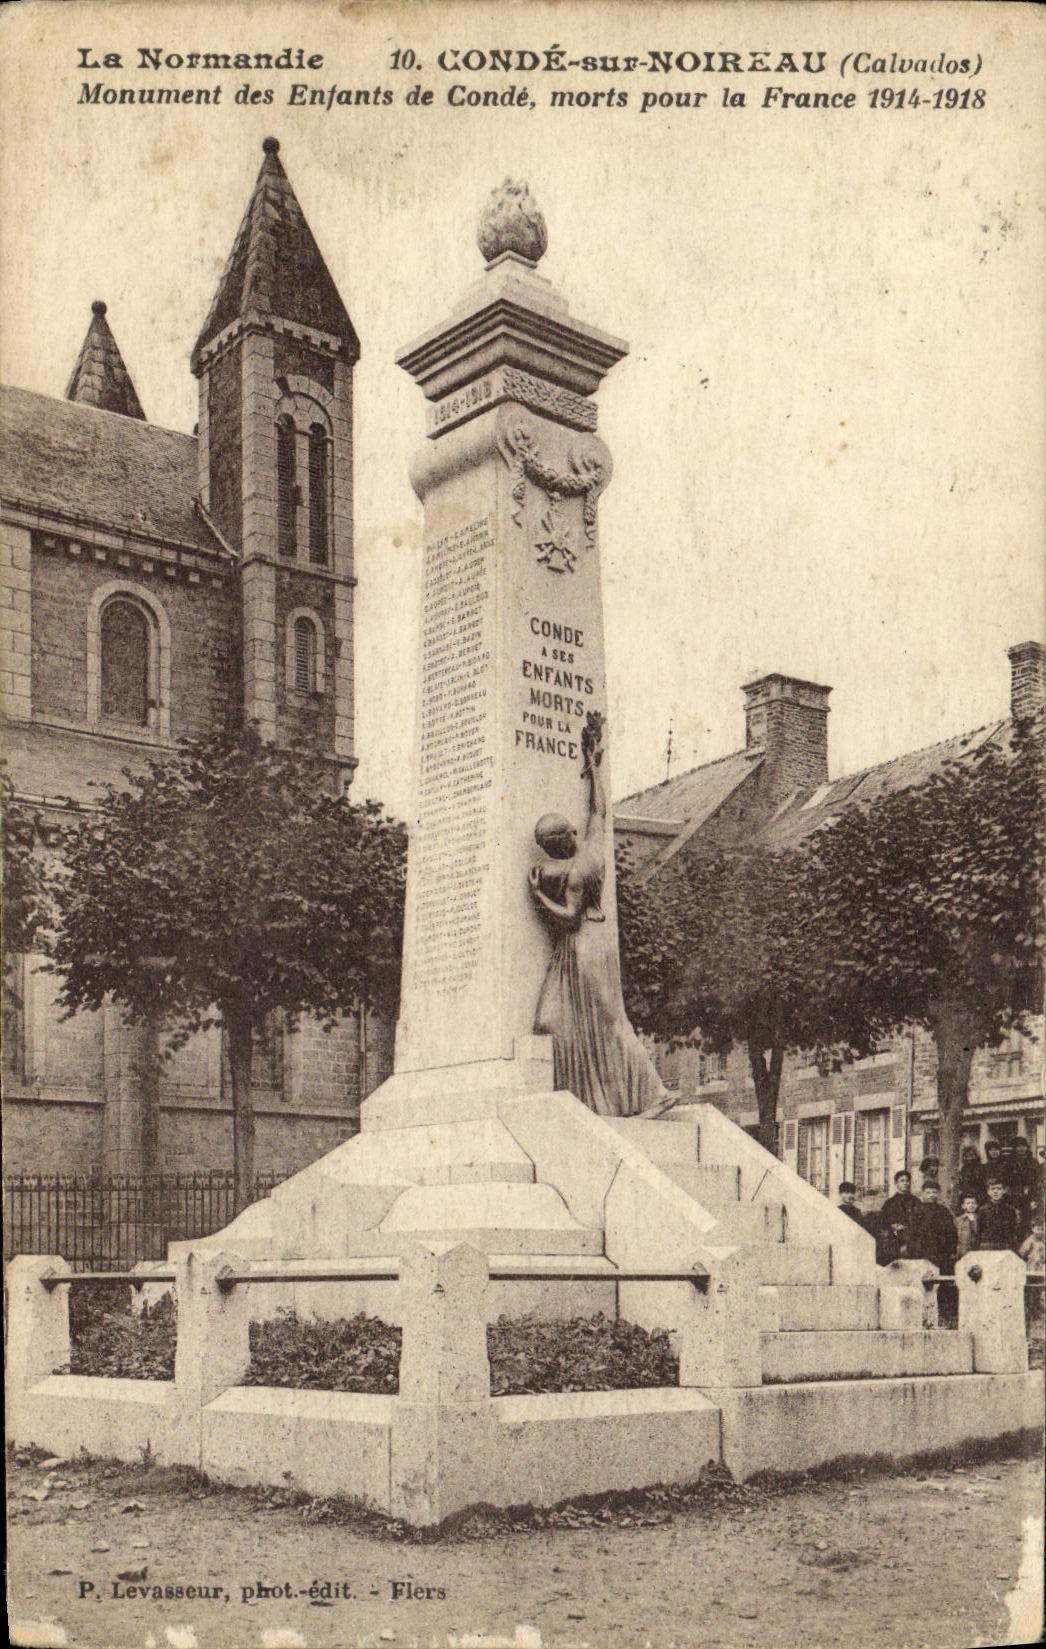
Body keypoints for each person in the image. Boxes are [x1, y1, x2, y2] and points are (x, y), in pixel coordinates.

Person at [529, 712, 673, 1119]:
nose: (548, 852)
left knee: (604, 1020)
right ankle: (599, 1097)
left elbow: (568, 917)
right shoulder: (592, 846)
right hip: (592, 943)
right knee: (561, 1020)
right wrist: (594, 767)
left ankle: (653, 1093)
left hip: (582, 945)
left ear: (559, 843)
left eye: (549, 845)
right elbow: (599, 810)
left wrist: (539, 893)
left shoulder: (577, 870)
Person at [913, 1180, 957, 1275]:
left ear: (938, 1193)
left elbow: (951, 1231)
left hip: (942, 1251)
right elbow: (913, 1232)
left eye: (934, 1192)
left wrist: (952, 1249)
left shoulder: (944, 1211)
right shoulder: (917, 1211)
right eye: (928, 1192)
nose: (931, 1195)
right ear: (923, 1193)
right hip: (924, 1251)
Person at [877, 1170, 920, 1264]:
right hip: (894, 1240)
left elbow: (919, 1221)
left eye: (907, 1181)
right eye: (902, 1180)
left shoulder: (915, 1201)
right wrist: (892, 1226)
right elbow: (883, 1222)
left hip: (912, 1239)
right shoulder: (889, 1203)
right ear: (896, 1183)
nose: (905, 1183)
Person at [1005, 1138, 1042, 1239]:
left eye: (1023, 1146)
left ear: (1027, 1147)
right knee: (1014, 1221)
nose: (1021, 1148)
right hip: (1014, 1196)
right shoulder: (1009, 1162)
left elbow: (1038, 1181)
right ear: (1014, 1148)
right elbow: (1006, 1180)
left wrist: (1034, 1198)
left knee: (1028, 1222)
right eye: (1018, 1146)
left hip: (1029, 1196)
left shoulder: (1033, 1161)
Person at [977, 1177, 1020, 1252]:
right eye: (992, 1189)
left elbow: (1013, 1230)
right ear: (988, 1191)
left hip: (1005, 1246)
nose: (995, 1191)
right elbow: (979, 1231)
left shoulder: (1010, 1210)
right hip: (988, 1246)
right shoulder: (983, 1210)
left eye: (999, 1189)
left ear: (1004, 1191)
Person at [955, 1194, 980, 1261]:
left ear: (977, 1205)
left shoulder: (980, 1219)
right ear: (963, 1206)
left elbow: (978, 1233)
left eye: (973, 1203)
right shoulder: (958, 1220)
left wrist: (972, 1221)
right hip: (962, 1251)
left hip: (976, 1250)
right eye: (968, 1203)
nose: (971, 1205)